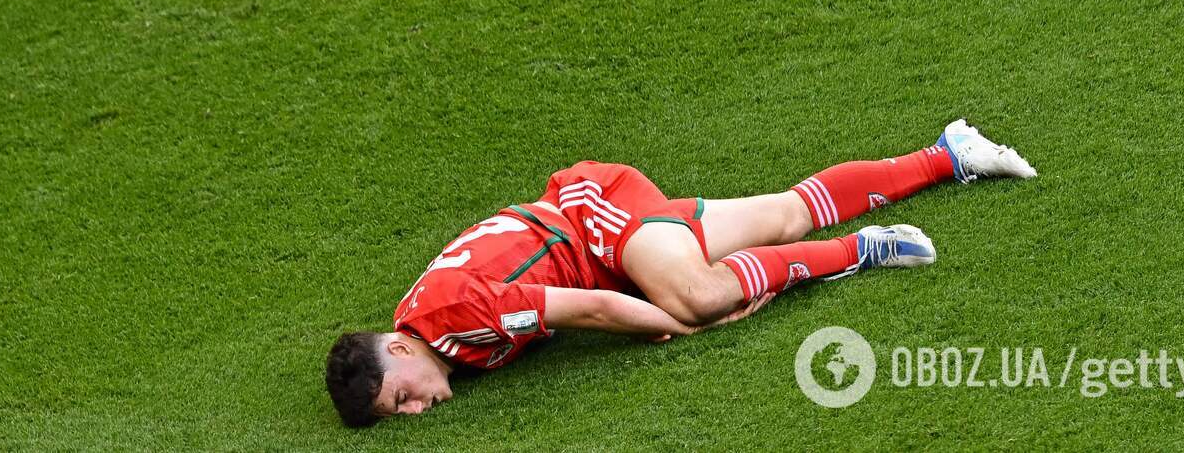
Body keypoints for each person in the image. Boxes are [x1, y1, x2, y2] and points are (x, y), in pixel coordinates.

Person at [324, 119, 1037, 425]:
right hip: (602, 228)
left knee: (697, 297)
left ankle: (868, 247)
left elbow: (593, 311)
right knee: (786, 214)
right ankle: (949, 152)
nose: (418, 410)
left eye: (402, 398)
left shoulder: (452, 319)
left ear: (402, 349)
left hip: (597, 217)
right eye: (402, 414)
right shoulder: (432, 328)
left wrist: (683, 321)